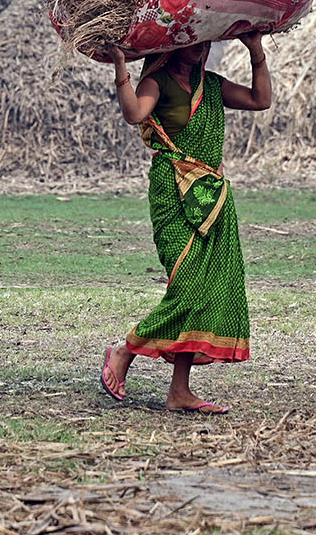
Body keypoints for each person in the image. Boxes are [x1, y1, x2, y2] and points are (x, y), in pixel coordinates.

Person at [100, 32, 271, 414]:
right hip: (172, 193)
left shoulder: (212, 85)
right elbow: (134, 114)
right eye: (194, 40)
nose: (201, 48)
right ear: (172, 44)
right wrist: (120, 67)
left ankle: (179, 392)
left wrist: (255, 51)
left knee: (205, 289)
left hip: (212, 197)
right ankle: (125, 351)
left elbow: (261, 101)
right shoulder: (155, 83)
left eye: (207, 42)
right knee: (187, 286)